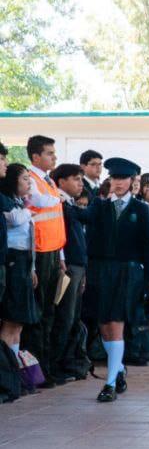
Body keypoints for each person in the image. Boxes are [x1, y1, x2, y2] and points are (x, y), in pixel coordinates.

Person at [82, 158, 149, 402]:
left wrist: (148, 277)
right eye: (115, 178)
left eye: (124, 179)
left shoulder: (141, 209)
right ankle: (119, 369)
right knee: (104, 325)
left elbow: (147, 246)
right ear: (109, 180)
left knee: (116, 324)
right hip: (101, 271)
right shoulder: (99, 206)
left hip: (128, 272)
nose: (119, 183)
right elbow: (85, 221)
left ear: (132, 181)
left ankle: (110, 384)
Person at [21, 136, 66, 384]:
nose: (54, 157)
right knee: (38, 314)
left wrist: (61, 255)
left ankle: (47, 366)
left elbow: (55, 219)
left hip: (53, 251)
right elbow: (38, 202)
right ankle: (37, 370)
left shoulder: (48, 181)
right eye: (49, 153)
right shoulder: (32, 179)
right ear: (36, 156)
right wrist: (60, 197)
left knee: (50, 311)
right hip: (38, 253)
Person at [50, 163, 92, 382]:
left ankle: (70, 362)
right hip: (67, 266)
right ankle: (56, 365)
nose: (80, 184)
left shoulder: (70, 204)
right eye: (76, 179)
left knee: (74, 317)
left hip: (78, 265)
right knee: (64, 317)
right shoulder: (57, 202)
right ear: (61, 181)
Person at [0, 165, 39, 384]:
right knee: (11, 319)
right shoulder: (7, 201)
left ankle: (15, 370)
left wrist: (32, 268)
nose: (29, 183)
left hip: (25, 262)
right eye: (25, 179)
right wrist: (27, 211)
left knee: (19, 322)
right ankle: (6, 372)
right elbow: (13, 220)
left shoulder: (19, 203)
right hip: (13, 260)